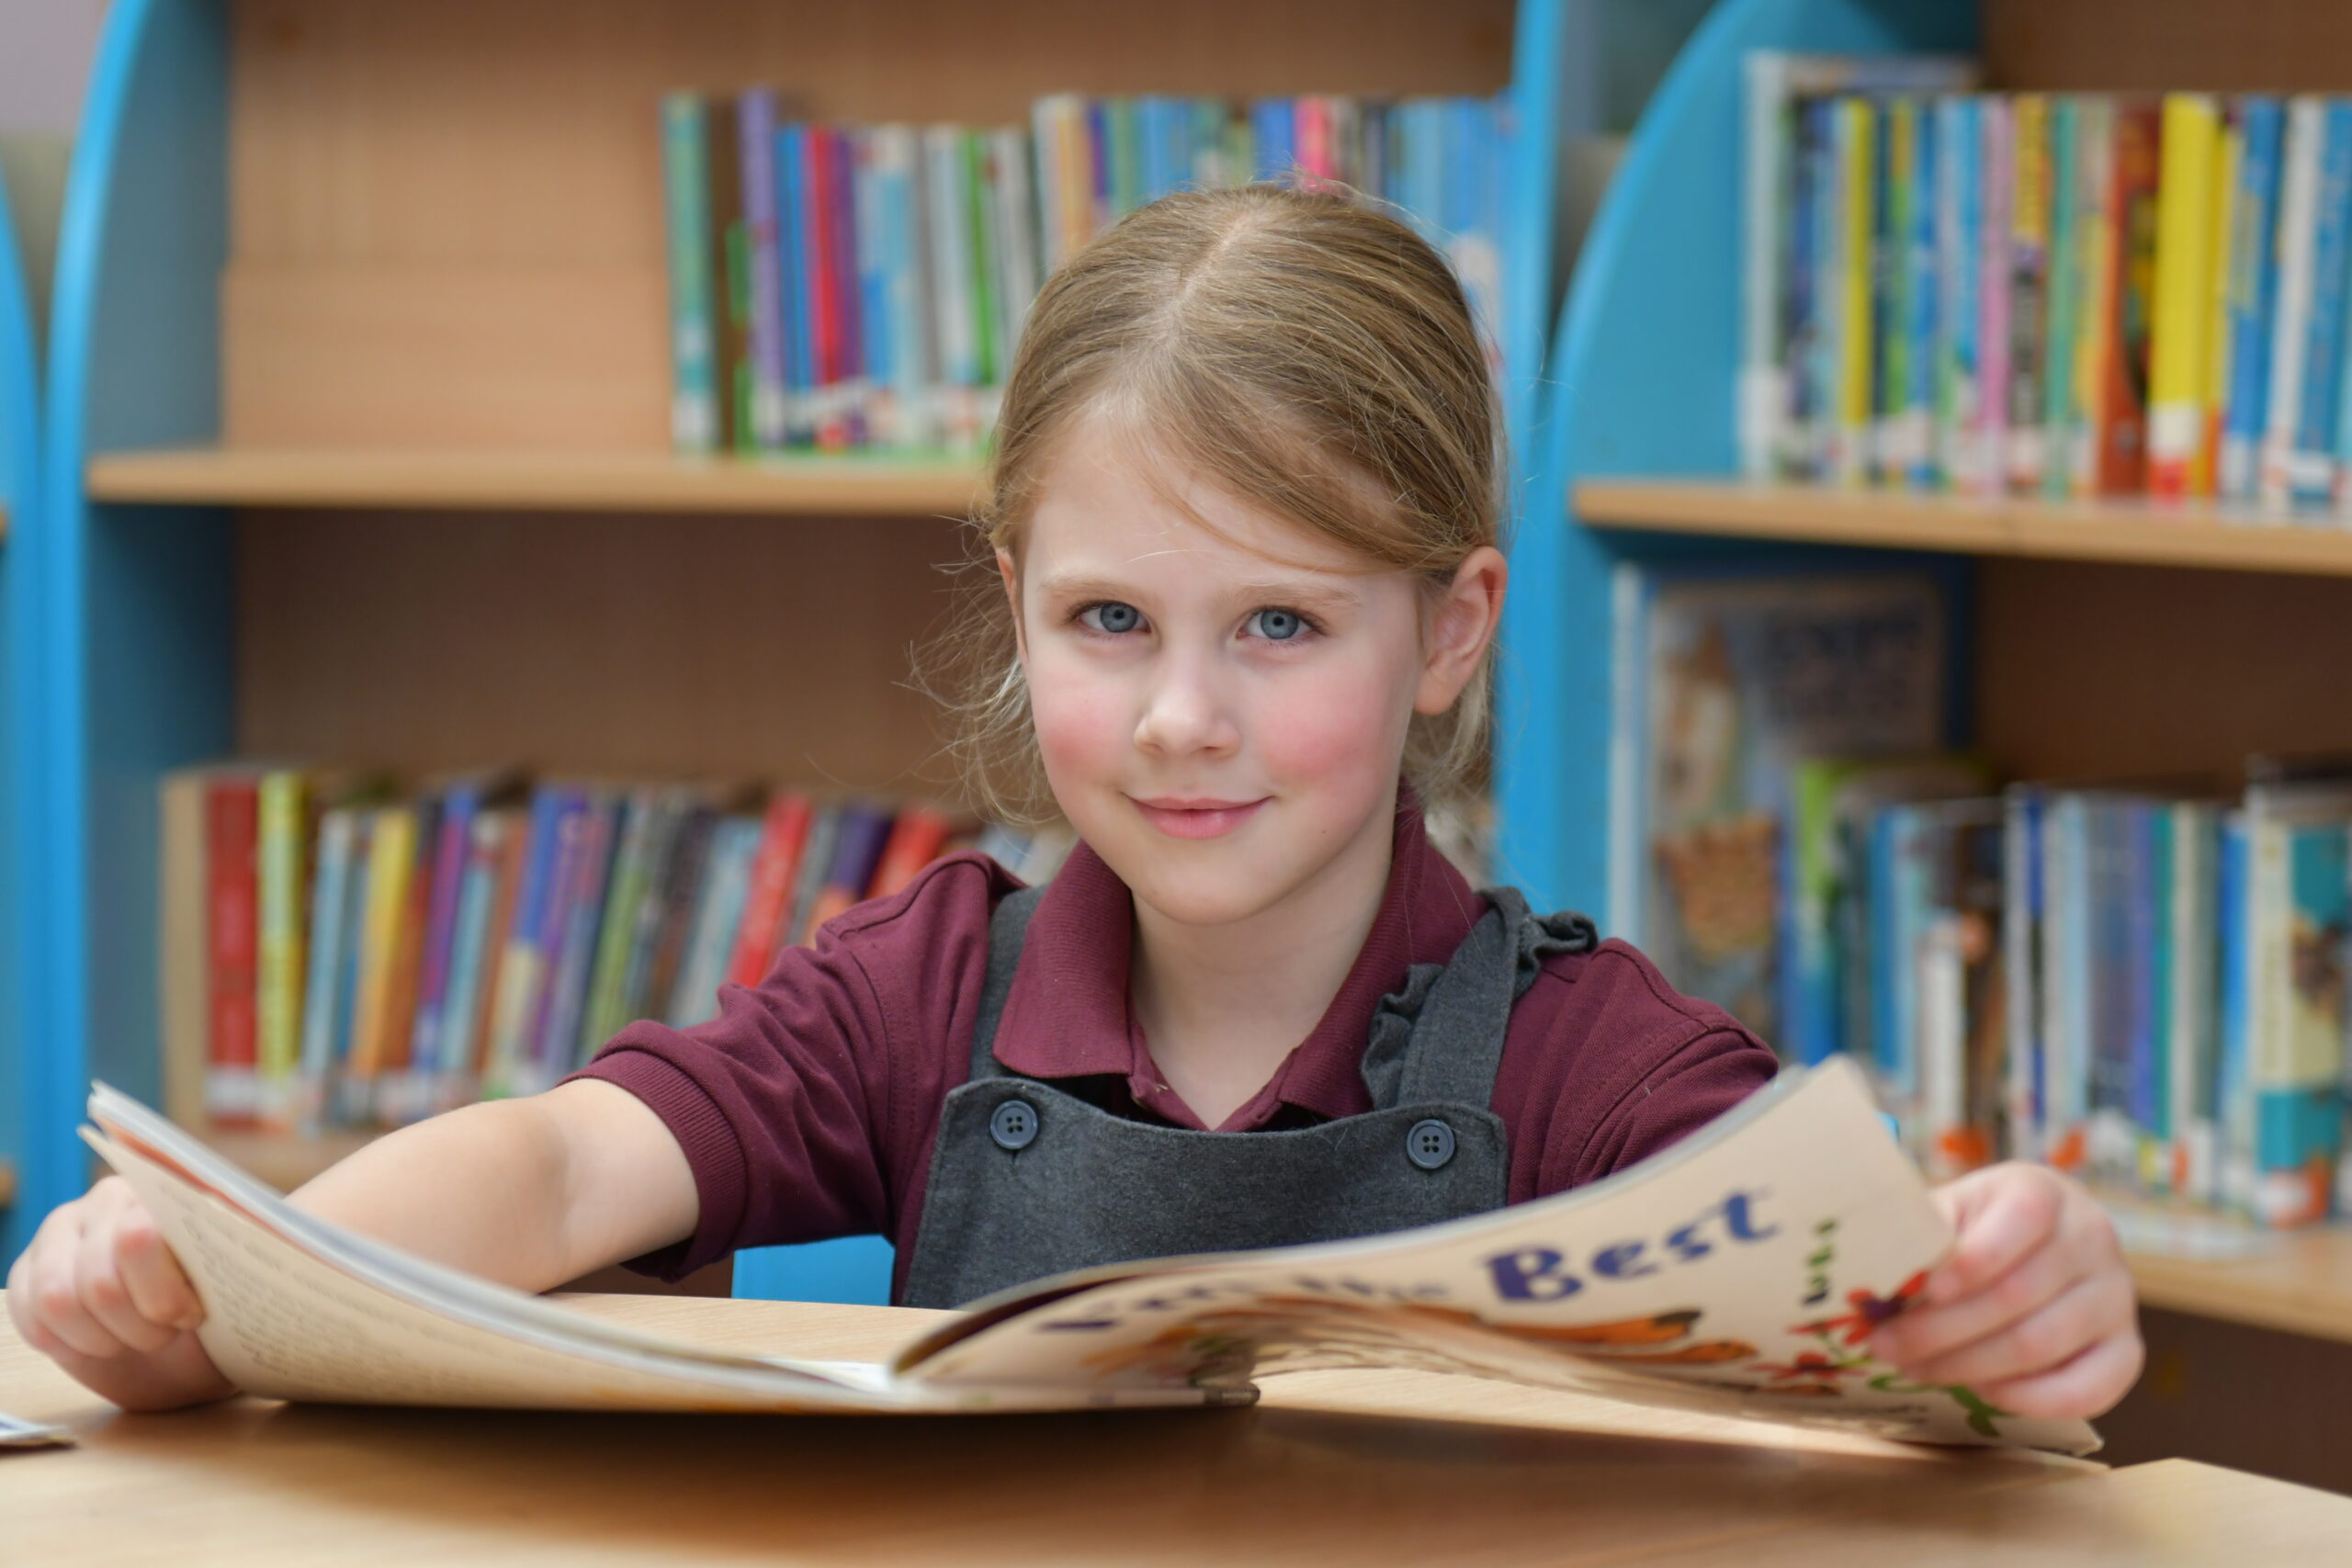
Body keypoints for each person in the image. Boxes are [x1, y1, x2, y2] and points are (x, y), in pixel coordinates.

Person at [6, 186, 2142, 1419]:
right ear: (1015, 599)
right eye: (1112, 617)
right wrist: (225, 1283)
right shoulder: (919, 985)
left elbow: (1897, 1346)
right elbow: (562, 1166)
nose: (1183, 716)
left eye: (1284, 629)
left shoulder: (1593, 1063)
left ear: (1454, 629)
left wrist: (2016, 1294)